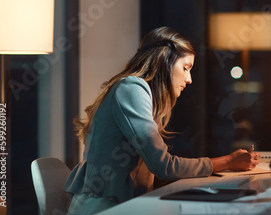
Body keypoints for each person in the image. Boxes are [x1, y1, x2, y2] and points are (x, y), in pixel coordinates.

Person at [64, 27, 260, 214]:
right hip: (103, 209)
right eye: (185, 68)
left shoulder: (139, 93)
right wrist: (228, 161)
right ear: (164, 61)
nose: (189, 78)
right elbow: (163, 166)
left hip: (121, 205)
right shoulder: (131, 88)